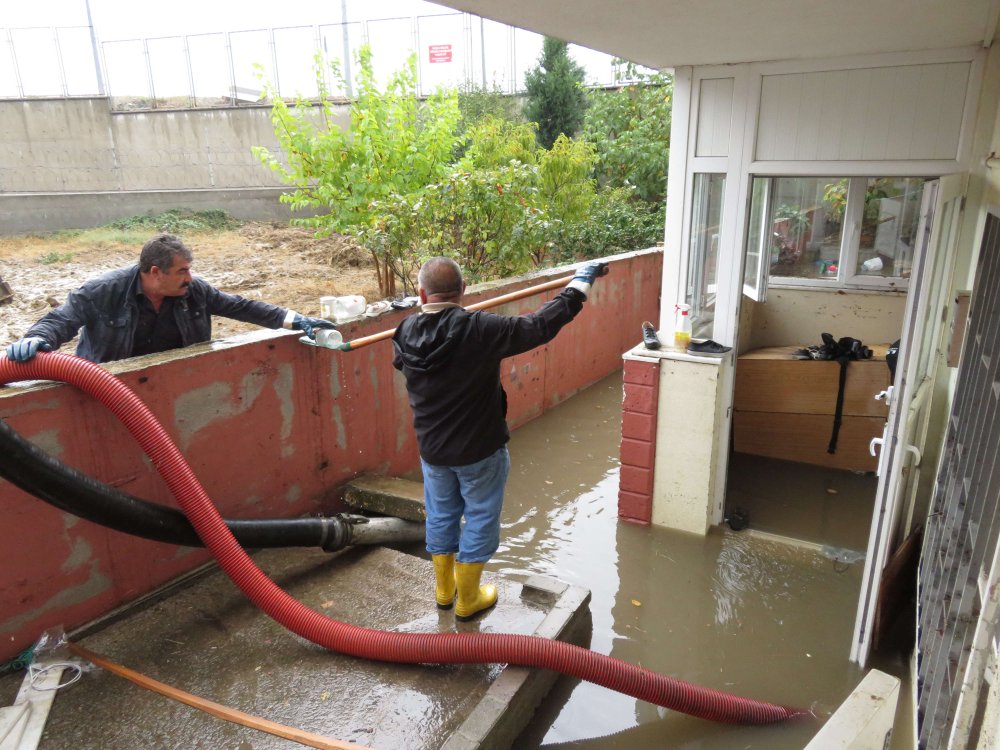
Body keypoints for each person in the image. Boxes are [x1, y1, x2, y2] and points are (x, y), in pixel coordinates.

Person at [392, 257, 607, 621]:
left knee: (442, 515)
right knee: (479, 516)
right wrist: (580, 283)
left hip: (433, 451)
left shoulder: (404, 332)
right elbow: (540, 325)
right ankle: (468, 599)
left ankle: (444, 592)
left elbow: (406, 359)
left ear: (420, 294)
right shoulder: (480, 328)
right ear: (463, 291)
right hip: (480, 449)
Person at [4, 233, 335, 364]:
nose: (190, 278)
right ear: (154, 272)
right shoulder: (103, 291)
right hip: (112, 388)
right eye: (182, 271)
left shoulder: (194, 292)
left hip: (173, 383)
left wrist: (297, 320)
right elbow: (62, 319)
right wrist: (35, 339)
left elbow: (240, 306)